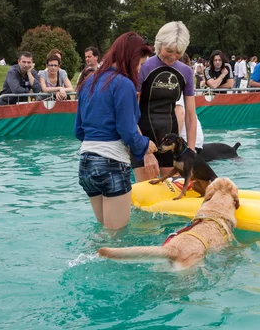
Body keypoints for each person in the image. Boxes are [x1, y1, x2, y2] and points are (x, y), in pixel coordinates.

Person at [76, 31, 157, 229]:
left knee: (104, 233)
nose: (139, 70)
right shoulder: (123, 84)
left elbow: (79, 130)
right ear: (131, 58)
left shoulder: (88, 82)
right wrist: (147, 145)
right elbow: (127, 131)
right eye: (139, 64)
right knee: (116, 238)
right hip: (111, 164)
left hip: (86, 164)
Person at [133, 21, 197, 183]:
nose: (173, 56)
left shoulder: (186, 72)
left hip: (171, 142)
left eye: (178, 52)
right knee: (147, 199)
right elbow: (131, 114)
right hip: (143, 137)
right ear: (158, 44)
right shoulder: (144, 68)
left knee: (174, 198)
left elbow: (190, 115)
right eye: (169, 50)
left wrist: (190, 151)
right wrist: (145, 150)